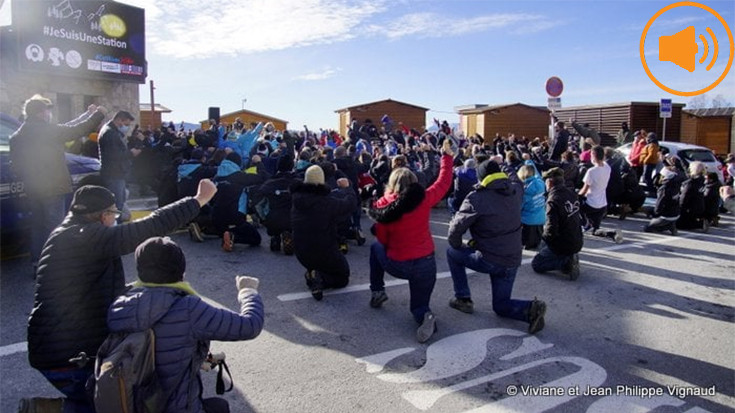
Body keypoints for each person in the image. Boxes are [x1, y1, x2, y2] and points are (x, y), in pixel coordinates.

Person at [26, 180, 217, 412]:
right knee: (112, 402)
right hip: (67, 356)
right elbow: (148, 227)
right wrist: (197, 201)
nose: (114, 220)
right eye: (113, 214)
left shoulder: (70, 235)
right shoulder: (84, 237)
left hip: (57, 347)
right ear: (102, 215)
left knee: (98, 399)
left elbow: (98, 289)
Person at [107, 237, 264, 413]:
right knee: (220, 407)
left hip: (129, 404)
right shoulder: (187, 307)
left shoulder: (120, 305)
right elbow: (250, 325)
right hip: (175, 408)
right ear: (180, 270)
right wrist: (248, 292)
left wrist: (200, 359)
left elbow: (153, 352)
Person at [367, 140, 454, 343]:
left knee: (375, 247)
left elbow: (382, 238)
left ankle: (377, 291)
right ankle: (426, 315)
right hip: (426, 263)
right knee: (419, 306)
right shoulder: (423, 199)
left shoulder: (382, 205)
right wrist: (446, 157)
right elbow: (443, 182)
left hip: (398, 263)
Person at [446, 159, 547, 334]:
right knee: (500, 306)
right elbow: (514, 176)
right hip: (513, 259)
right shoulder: (516, 189)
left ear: (481, 178)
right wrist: (504, 163)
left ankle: (463, 298)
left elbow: (455, 231)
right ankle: (530, 309)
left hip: (489, 259)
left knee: (452, 252)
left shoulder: (476, 198)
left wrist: (458, 246)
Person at [9, 95, 107, 272]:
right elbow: (77, 130)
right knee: (56, 226)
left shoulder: (17, 136)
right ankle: (56, 265)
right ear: (40, 113)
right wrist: (98, 115)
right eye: (47, 110)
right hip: (53, 187)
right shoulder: (48, 131)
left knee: (38, 226)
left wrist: (87, 114)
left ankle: (38, 263)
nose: (49, 114)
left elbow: (16, 167)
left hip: (33, 189)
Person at [291, 165, 357, 300]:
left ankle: (314, 274)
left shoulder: (296, 200)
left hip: (301, 251)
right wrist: (347, 188)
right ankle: (320, 278)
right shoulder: (326, 202)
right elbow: (349, 205)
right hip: (324, 250)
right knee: (342, 277)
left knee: (322, 261)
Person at [531, 167, 584, 280]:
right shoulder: (571, 193)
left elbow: (551, 229)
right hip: (576, 238)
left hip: (563, 242)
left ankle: (566, 263)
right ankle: (568, 256)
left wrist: (543, 239)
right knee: (547, 243)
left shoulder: (553, 200)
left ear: (549, 182)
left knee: (537, 264)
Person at [98, 110, 138, 222]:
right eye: (126, 124)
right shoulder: (110, 133)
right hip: (114, 174)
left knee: (118, 205)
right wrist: (131, 153)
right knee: (116, 207)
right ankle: (116, 232)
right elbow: (114, 155)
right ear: (119, 120)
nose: (126, 127)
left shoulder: (111, 131)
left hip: (116, 174)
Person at [578, 146, 623, 243]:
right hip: (602, 204)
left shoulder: (591, 171)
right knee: (595, 230)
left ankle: (586, 224)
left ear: (593, 155)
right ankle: (612, 233)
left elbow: (584, 190)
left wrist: (577, 196)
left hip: (591, 203)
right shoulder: (607, 167)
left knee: (577, 207)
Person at [643, 166, 682, 235]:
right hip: (676, 213)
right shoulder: (677, 185)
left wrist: (655, 214)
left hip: (666, 215)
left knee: (647, 227)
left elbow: (659, 204)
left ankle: (666, 226)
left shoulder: (664, 188)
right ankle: (670, 224)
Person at [518, 163, 546, 250]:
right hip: (541, 217)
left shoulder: (524, 190)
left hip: (527, 220)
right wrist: (529, 160)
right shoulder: (540, 183)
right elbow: (537, 174)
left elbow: (520, 206)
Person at [677, 161, 708, 231]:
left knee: (678, 224)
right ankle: (697, 222)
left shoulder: (691, 183)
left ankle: (699, 224)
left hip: (690, 208)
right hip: (700, 207)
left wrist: (679, 207)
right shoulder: (702, 180)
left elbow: (684, 198)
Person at [640, 132, 660, 197]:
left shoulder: (652, 145)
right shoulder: (651, 144)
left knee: (646, 177)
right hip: (649, 162)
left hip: (649, 163)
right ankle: (650, 190)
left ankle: (652, 191)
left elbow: (651, 154)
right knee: (646, 177)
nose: (646, 139)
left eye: (648, 138)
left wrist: (645, 161)